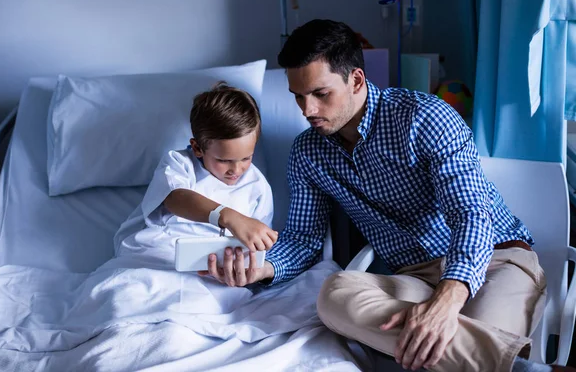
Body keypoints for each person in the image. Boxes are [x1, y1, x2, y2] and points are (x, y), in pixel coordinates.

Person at [206, 19, 571, 372]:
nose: (308, 111)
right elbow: (303, 239)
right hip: (413, 278)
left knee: (448, 349)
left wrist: (447, 301)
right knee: (335, 296)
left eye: (320, 94)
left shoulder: (424, 118)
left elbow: (470, 214)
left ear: (357, 80)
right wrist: (261, 267)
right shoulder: (307, 153)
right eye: (298, 97)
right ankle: (519, 368)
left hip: (494, 261)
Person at [115, 82, 278, 286]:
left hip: (213, 271)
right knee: (131, 291)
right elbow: (176, 197)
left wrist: (242, 269)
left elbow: (257, 249)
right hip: (158, 254)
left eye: (246, 158)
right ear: (197, 148)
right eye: (224, 160)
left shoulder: (257, 187)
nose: (236, 170)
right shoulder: (179, 164)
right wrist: (228, 217)